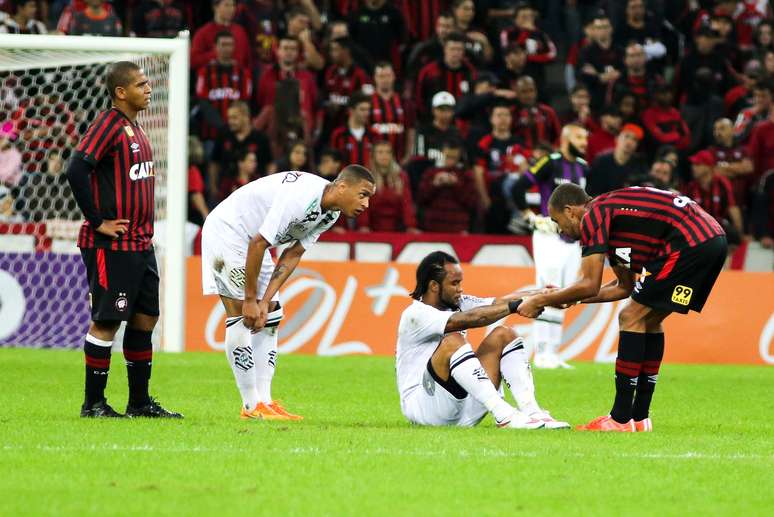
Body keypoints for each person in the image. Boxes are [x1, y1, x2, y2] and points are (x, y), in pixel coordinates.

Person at [517, 183, 727, 431]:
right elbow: (622, 287)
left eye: (557, 220)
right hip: (710, 240)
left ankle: (619, 419)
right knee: (648, 320)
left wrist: (540, 299)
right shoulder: (612, 220)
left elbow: (589, 284)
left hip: (690, 243)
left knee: (630, 316)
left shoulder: (594, 214)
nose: (559, 228)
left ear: (570, 210)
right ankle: (639, 418)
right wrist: (570, 297)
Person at [201, 166, 375, 420]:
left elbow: (293, 253)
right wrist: (251, 300)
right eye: (363, 195)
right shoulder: (301, 197)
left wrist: (265, 299)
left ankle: (265, 401)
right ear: (342, 187)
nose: (366, 204)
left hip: (256, 243)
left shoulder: (329, 215)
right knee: (242, 314)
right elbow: (259, 242)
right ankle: (251, 406)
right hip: (229, 232)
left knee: (272, 314)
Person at [65, 61, 181, 418]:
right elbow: (76, 168)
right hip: (111, 245)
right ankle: (94, 404)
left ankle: (140, 403)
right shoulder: (108, 125)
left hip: (140, 244)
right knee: (107, 320)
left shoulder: (135, 128)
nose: (148, 89)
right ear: (121, 92)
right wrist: (97, 221)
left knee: (145, 318)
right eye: (141, 84)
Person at [396, 251, 569, 429]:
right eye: (454, 283)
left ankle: (532, 412)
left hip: (463, 410)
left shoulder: (457, 302)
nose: (460, 289)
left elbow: (498, 303)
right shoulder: (415, 315)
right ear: (434, 286)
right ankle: (504, 415)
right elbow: (473, 318)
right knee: (452, 341)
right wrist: (516, 307)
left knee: (504, 334)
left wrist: (543, 296)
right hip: (426, 409)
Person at [510, 124, 589, 369]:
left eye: (586, 137)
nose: (584, 142)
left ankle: (553, 352)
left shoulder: (584, 167)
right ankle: (542, 351)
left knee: (565, 291)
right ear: (565, 138)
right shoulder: (550, 162)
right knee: (548, 288)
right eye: (579, 136)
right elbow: (518, 187)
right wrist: (530, 216)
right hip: (548, 235)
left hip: (572, 238)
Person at [194, 31, 253, 142]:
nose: (227, 48)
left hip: (237, 134)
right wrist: (221, 126)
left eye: (230, 45)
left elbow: (245, 102)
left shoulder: (243, 73)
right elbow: (203, 103)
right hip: (210, 134)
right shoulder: (205, 72)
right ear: (215, 47)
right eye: (223, 45)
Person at [685, 150, 744, 248]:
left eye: (697, 164)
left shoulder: (722, 183)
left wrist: (739, 233)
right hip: (699, 229)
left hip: (719, 227)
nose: (693, 168)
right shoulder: (691, 187)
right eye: (693, 164)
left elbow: (732, 208)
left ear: (708, 167)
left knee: (732, 235)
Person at [355, 141, 418, 233]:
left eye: (388, 152)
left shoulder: (401, 176)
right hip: (371, 228)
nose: (384, 156)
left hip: (397, 228)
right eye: (380, 152)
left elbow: (407, 203)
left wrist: (410, 226)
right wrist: (363, 225)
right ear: (373, 156)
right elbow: (362, 204)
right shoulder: (365, 176)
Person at [417, 139, 478, 233]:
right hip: (432, 228)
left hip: (458, 229)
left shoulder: (466, 175)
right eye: (448, 156)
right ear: (442, 154)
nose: (450, 160)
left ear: (459, 157)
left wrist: (456, 185)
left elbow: (472, 203)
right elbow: (420, 199)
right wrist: (435, 184)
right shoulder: (430, 173)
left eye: (454, 157)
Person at [415, 32, 477, 121]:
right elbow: (420, 97)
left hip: (463, 124)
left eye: (459, 49)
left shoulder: (470, 71)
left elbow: (473, 98)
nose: (455, 53)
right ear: (445, 49)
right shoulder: (429, 71)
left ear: (463, 51)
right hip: (434, 123)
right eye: (452, 49)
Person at [587, 123, 647, 197]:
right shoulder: (601, 161)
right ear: (617, 138)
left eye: (634, 139)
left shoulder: (640, 164)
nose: (629, 142)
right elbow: (592, 190)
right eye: (626, 136)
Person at [190, 0, 251, 70]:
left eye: (233, 5)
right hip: (213, 78)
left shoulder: (240, 31)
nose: (231, 9)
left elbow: (247, 61)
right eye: (227, 5)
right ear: (215, 7)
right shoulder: (203, 33)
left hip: (238, 78)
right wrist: (216, 54)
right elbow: (193, 61)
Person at [511, 75, 561, 149]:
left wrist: (552, 149)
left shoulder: (548, 112)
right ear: (517, 93)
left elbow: (559, 136)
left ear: (536, 91)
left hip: (547, 155)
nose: (529, 95)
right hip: (522, 157)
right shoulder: (511, 113)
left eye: (531, 90)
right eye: (524, 92)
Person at [330, 92, 376, 166]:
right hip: (345, 177)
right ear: (351, 110)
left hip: (367, 177)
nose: (367, 113)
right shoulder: (338, 135)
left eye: (368, 110)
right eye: (362, 109)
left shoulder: (373, 134)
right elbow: (333, 162)